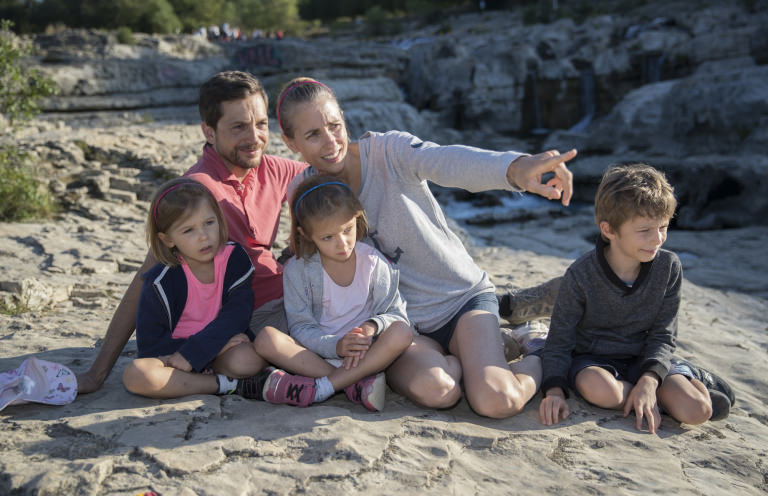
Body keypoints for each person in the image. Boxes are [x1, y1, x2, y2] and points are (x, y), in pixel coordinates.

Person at [275, 77, 577, 418]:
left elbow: (448, 160)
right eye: (313, 134)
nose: (330, 142)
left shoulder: (389, 152)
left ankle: (537, 350)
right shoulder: (303, 191)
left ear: (344, 119)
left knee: (497, 400)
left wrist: (515, 168)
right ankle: (492, 347)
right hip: (399, 325)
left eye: (334, 126)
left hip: (459, 300)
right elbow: (305, 257)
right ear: (290, 141)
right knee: (439, 391)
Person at [77, 71, 307, 394]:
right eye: (239, 126)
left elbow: (332, 178)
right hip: (249, 312)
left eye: (261, 124)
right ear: (209, 132)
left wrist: (299, 236)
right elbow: (147, 276)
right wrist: (97, 373)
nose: (254, 137)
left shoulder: (273, 168)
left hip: (289, 294)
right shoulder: (199, 192)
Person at [538, 164, 736, 433]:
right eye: (644, 231)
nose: (657, 239)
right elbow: (559, 341)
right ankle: (660, 398)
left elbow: (663, 334)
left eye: (663, 227)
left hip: (644, 358)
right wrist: (555, 392)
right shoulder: (580, 275)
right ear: (609, 230)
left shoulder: (669, 267)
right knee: (597, 389)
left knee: (698, 412)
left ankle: (688, 379)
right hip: (594, 362)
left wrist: (650, 380)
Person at [278, 175, 413, 411]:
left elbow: (396, 313)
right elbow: (300, 327)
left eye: (347, 229)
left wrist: (372, 327)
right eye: (327, 237)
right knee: (268, 340)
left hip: (366, 354)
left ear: (357, 217)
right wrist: (335, 346)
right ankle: (353, 383)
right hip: (318, 355)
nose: (342, 244)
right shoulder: (297, 272)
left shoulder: (373, 262)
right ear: (306, 234)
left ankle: (323, 388)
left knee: (402, 332)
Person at [123, 178, 259, 398]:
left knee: (248, 360)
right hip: (175, 355)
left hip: (221, 348)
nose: (204, 236)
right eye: (188, 230)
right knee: (137, 375)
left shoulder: (234, 258)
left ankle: (209, 378)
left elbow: (237, 315)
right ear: (167, 239)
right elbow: (150, 347)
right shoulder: (160, 282)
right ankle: (222, 385)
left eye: (209, 223)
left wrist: (210, 349)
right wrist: (193, 352)